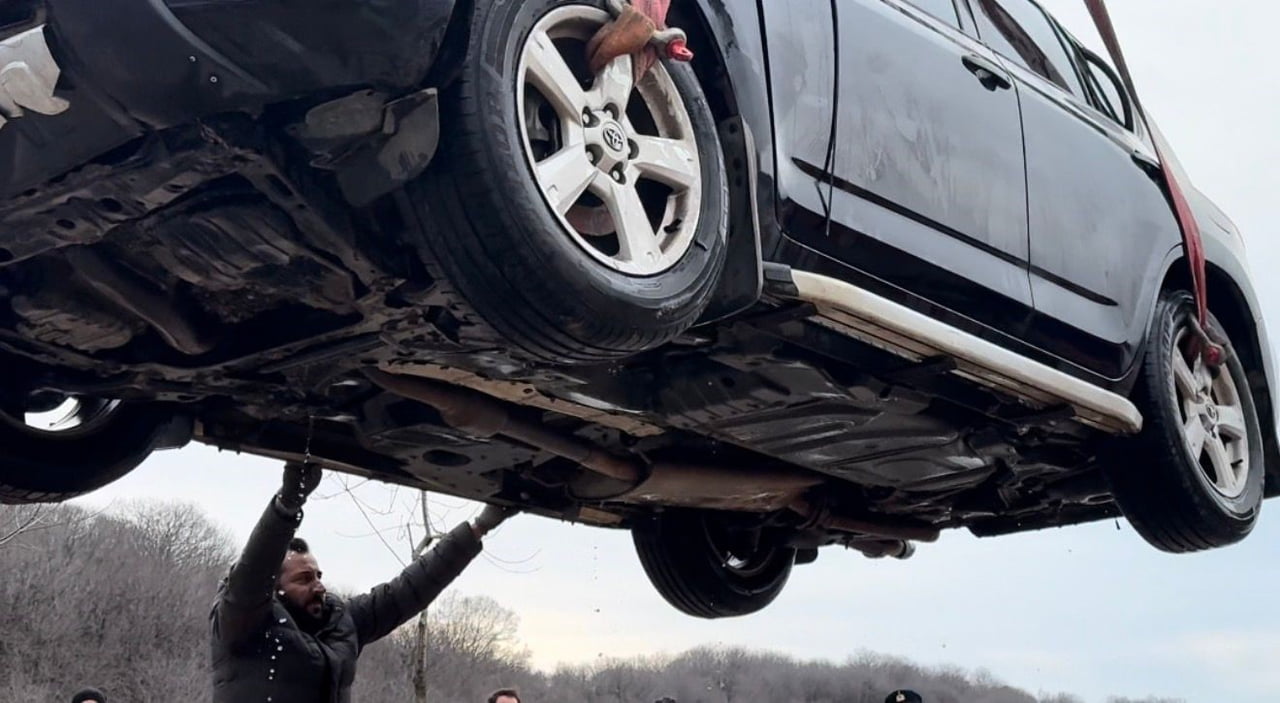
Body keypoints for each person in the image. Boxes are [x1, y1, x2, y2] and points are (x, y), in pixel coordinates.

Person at [210, 462, 517, 703]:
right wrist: (288, 504)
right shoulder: (244, 623)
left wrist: (478, 528)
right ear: (274, 588)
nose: (318, 586)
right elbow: (252, 572)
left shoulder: (339, 622)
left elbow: (406, 593)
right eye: (304, 579)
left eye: (318, 576)